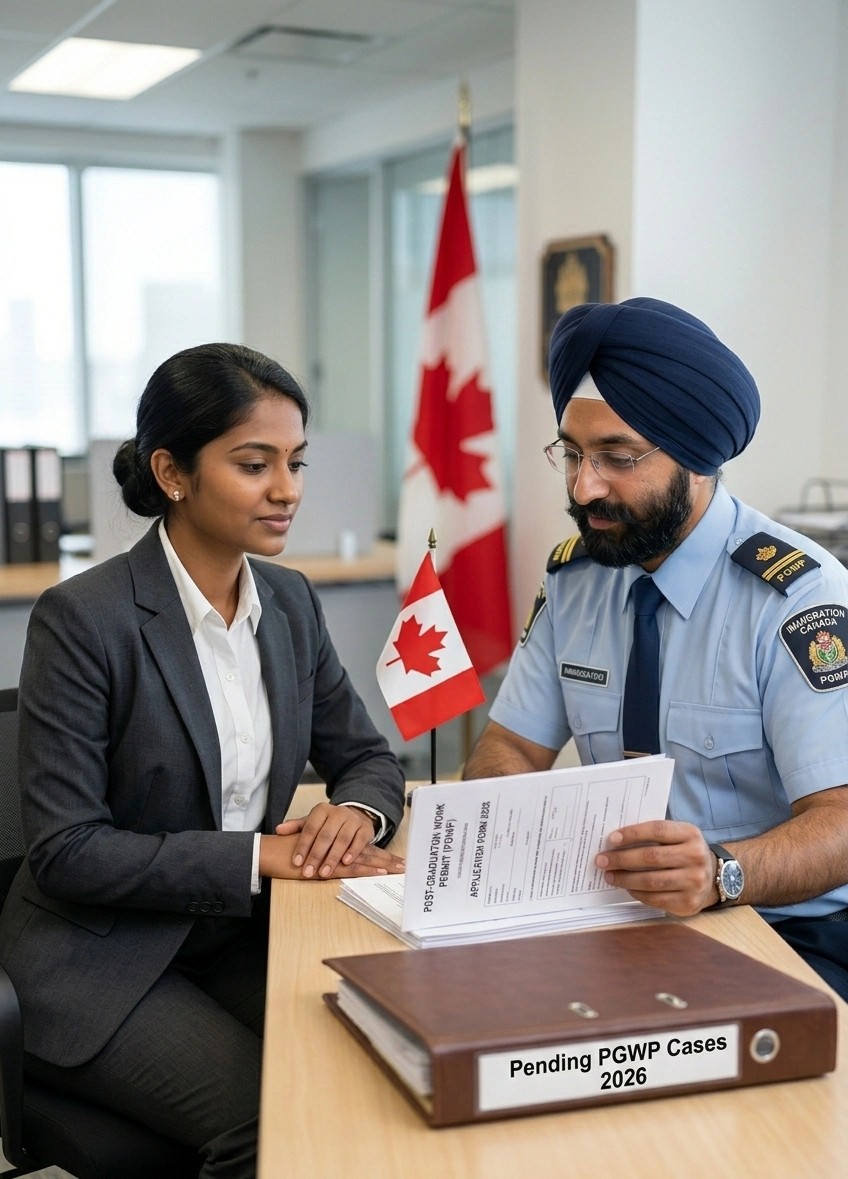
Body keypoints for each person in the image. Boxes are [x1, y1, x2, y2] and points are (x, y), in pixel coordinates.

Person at [0, 343, 406, 1179]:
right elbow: (68, 848)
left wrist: (352, 814)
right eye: (254, 464)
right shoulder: (83, 619)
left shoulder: (289, 604)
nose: (288, 489)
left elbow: (368, 754)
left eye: (295, 462)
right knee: (273, 1118)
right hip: (101, 959)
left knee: (389, 1065)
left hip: (239, 938)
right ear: (173, 472)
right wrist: (264, 854)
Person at [464, 297, 848, 999]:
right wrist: (510, 832)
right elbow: (509, 747)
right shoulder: (578, 577)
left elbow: (841, 819)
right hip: (614, 921)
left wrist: (724, 869)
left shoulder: (799, 599)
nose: (585, 487)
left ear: (697, 459)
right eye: (573, 455)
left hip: (779, 927)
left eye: (617, 457)